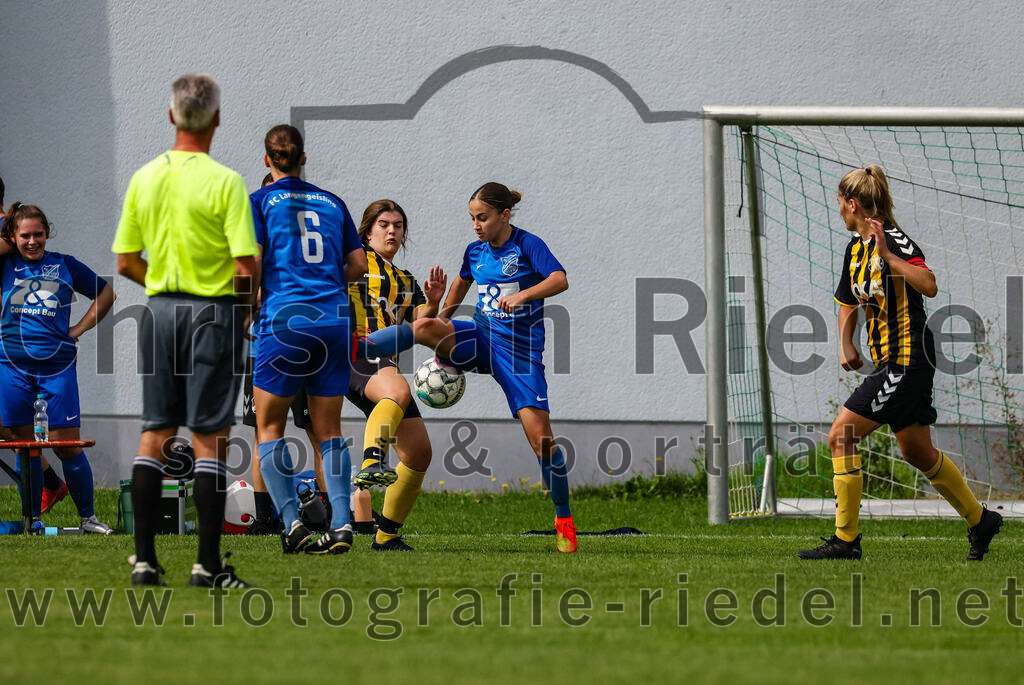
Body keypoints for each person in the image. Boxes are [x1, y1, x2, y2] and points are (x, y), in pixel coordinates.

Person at [798, 165, 1002, 561]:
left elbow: (929, 284)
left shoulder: (894, 241)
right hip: (888, 362)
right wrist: (846, 344)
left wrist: (889, 257)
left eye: (840, 203)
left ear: (852, 203)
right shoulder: (855, 248)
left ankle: (846, 541)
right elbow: (846, 301)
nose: (838, 210)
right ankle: (981, 520)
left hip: (906, 361)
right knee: (917, 452)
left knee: (841, 436)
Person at [374, 182, 578, 553]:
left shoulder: (528, 245)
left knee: (543, 441)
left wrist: (522, 296)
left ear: (504, 215)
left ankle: (563, 517)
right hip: (480, 340)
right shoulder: (475, 252)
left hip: (518, 354)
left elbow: (559, 279)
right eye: (471, 218)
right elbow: (458, 288)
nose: (476, 225)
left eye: (482, 217)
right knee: (423, 326)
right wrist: (441, 327)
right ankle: (358, 347)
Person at [113, 74, 258, 587]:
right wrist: (243, 314)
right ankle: (207, 565)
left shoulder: (143, 178)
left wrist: (162, 282)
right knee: (210, 437)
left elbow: (126, 260)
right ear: (217, 119)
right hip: (211, 313)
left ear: (171, 115)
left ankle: (146, 561)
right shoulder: (226, 182)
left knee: (155, 431)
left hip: (159, 312)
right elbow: (245, 266)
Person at [249, 124, 366, 555]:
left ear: (267, 160)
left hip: (285, 318)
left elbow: (251, 265)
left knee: (269, 426)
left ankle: (292, 523)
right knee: (329, 428)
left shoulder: (259, 201)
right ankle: (341, 524)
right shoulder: (333, 202)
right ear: (303, 158)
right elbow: (356, 264)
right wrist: (325, 283)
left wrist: (249, 309)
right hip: (334, 318)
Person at [0, 202, 116, 534]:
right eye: (25, 236)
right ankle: (33, 520)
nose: (33, 242)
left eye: (39, 234)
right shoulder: (5, 264)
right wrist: (7, 231)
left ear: (48, 233)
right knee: (28, 447)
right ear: (13, 237)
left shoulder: (64, 265)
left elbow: (106, 293)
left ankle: (88, 518)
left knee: (67, 445)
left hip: (57, 367)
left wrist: (79, 328)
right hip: (11, 368)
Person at [349, 199, 446, 551]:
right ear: (368, 230)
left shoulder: (405, 279)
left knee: (419, 453)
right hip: (353, 349)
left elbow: (421, 322)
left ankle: (386, 536)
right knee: (399, 388)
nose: (392, 231)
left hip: (379, 361)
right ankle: (373, 460)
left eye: (399, 225)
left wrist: (434, 302)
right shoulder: (354, 262)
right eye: (384, 224)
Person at [242, 173, 326, 536]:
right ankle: (264, 519)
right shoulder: (260, 235)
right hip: (264, 346)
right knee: (265, 434)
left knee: (315, 432)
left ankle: (331, 514)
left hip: (291, 345)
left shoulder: (300, 245)